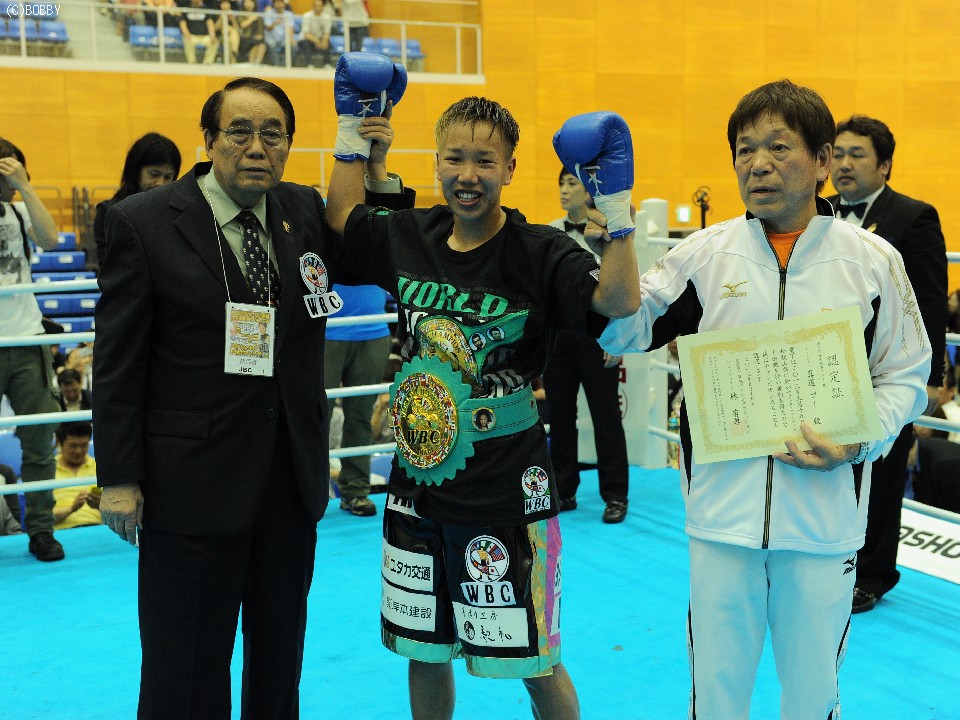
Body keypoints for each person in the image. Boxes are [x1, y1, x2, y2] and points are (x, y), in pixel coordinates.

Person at [596, 80, 930, 718]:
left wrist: (862, 437)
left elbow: (908, 374)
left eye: (779, 147)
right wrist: (616, 224)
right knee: (716, 696)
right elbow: (623, 330)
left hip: (824, 525)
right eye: (745, 150)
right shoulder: (703, 256)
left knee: (812, 697)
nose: (759, 164)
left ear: (822, 161)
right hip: (721, 522)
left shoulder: (872, 260)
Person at [93, 76, 411, 718]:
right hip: (189, 484)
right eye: (239, 131)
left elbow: (376, 256)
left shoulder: (302, 210)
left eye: (274, 134)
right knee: (184, 669)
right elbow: (118, 364)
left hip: (288, 480)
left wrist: (376, 171)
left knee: (278, 664)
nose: (257, 147)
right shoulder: (143, 222)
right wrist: (119, 477)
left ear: (289, 146)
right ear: (209, 140)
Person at [324, 80, 641, 718]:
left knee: (534, 659)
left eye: (484, 161)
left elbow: (618, 301)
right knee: (422, 649)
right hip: (417, 482)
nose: (467, 176)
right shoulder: (412, 234)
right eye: (455, 159)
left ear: (510, 169)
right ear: (437, 161)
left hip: (506, 485)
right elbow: (342, 225)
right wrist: (352, 137)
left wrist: (618, 210)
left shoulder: (539, 251)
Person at [827, 114, 948, 614]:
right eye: (837, 154)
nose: (844, 164)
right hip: (826, 368)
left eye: (857, 155)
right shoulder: (817, 212)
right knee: (829, 465)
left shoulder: (913, 217)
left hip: (885, 371)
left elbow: (931, 302)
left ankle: (873, 574)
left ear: (885, 165)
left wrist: (932, 378)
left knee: (883, 470)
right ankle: (831, 564)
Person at [544, 168, 630, 523]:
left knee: (606, 415)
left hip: (598, 335)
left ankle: (616, 495)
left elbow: (622, 286)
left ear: (588, 191)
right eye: (561, 183)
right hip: (558, 337)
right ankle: (563, 489)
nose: (564, 190)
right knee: (560, 416)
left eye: (571, 183)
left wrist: (617, 338)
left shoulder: (606, 232)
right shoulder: (550, 232)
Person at [0, 137, 65, 562]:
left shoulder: (20, 210)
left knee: (39, 441)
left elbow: (52, 239)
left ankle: (41, 529)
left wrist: (25, 188)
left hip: (28, 341)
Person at [324, 283, 392, 517]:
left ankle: (355, 491)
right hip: (326, 329)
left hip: (374, 329)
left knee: (361, 417)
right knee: (316, 418)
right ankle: (310, 493)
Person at [94, 132, 181, 267]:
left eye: (168, 177)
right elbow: (109, 267)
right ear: (135, 172)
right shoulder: (107, 212)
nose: (160, 183)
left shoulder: (176, 213)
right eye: (154, 174)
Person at [52, 421, 101, 530]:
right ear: (59, 442)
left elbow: (118, 510)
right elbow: (41, 518)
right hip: (62, 531)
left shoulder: (100, 467)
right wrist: (71, 509)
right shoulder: (47, 471)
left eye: (84, 445)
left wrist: (101, 505)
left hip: (97, 527)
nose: (79, 451)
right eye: (73, 446)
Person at [178, 0, 220, 64]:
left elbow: (209, 22)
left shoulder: (205, 9)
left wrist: (212, 35)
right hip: (192, 36)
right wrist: (186, 33)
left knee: (215, 42)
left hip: (204, 36)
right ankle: (192, 61)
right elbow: (182, 22)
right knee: (187, 40)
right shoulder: (186, 9)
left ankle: (208, 62)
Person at [297, 0, 333, 68]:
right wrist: (316, 41)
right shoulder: (307, 16)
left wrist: (324, 41)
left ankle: (327, 64)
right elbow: (306, 34)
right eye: (316, 6)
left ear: (323, 7)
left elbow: (327, 32)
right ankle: (309, 64)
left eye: (320, 6)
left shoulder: (327, 17)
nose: (318, 8)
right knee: (306, 44)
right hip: (306, 39)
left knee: (327, 43)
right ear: (313, 7)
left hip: (320, 39)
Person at [263, 0, 295, 65]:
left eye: (281, 3)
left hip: (284, 38)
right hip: (271, 38)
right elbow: (268, 28)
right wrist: (275, 23)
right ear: (273, 4)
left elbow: (291, 28)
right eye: (277, 3)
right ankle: (277, 65)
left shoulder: (289, 14)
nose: (279, 5)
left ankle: (284, 65)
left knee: (294, 46)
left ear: (284, 4)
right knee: (271, 44)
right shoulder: (268, 13)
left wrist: (291, 38)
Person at [235, 0, 267, 64]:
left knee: (261, 44)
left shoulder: (258, 16)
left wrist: (259, 35)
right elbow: (242, 25)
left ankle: (257, 63)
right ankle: (251, 62)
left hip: (255, 37)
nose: (248, 4)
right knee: (254, 42)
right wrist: (251, 19)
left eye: (250, 2)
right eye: (246, 2)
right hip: (244, 37)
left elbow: (260, 29)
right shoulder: (241, 14)